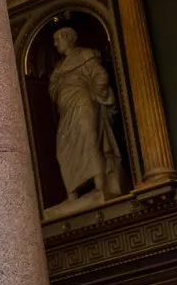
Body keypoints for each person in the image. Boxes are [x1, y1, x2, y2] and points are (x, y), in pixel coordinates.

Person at [49, 26, 124, 202]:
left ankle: (100, 187)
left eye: (58, 39)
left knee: (90, 141)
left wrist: (94, 94)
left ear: (68, 38)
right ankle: (72, 193)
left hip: (84, 105)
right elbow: (53, 90)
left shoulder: (85, 55)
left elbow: (100, 75)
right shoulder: (59, 67)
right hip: (67, 112)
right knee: (63, 149)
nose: (55, 44)